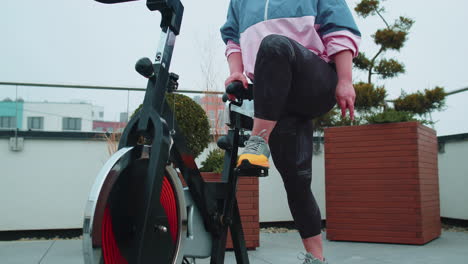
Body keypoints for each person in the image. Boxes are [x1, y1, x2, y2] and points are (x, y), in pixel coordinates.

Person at [220, 0, 361, 263]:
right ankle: (316, 258)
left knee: (274, 44)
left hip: (313, 78)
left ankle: (257, 141)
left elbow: (339, 29)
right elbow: (232, 37)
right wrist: (237, 72)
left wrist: (345, 80)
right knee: (296, 181)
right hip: (275, 94)